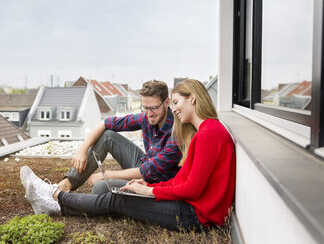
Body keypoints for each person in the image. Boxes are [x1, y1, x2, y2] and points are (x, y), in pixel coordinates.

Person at [21, 79, 236, 230]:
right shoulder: (205, 132)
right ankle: (58, 195)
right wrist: (146, 188)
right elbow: (185, 181)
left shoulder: (207, 133)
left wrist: (147, 190)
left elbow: (191, 188)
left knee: (115, 200)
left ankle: (55, 198)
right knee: (117, 197)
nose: (176, 110)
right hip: (189, 208)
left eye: (177, 103)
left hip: (195, 216)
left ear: (193, 99)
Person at [23, 80, 182, 195]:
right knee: (107, 136)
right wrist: (82, 149)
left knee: (99, 188)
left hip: (155, 183)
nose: (149, 114)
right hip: (144, 164)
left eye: (153, 108)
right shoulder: (145, 118)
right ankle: (63, 185)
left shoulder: (176, 132)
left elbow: (148, 171)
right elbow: (105, 124)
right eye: (145, 108)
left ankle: (59, 196)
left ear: (166, 102)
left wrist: (106, 175)